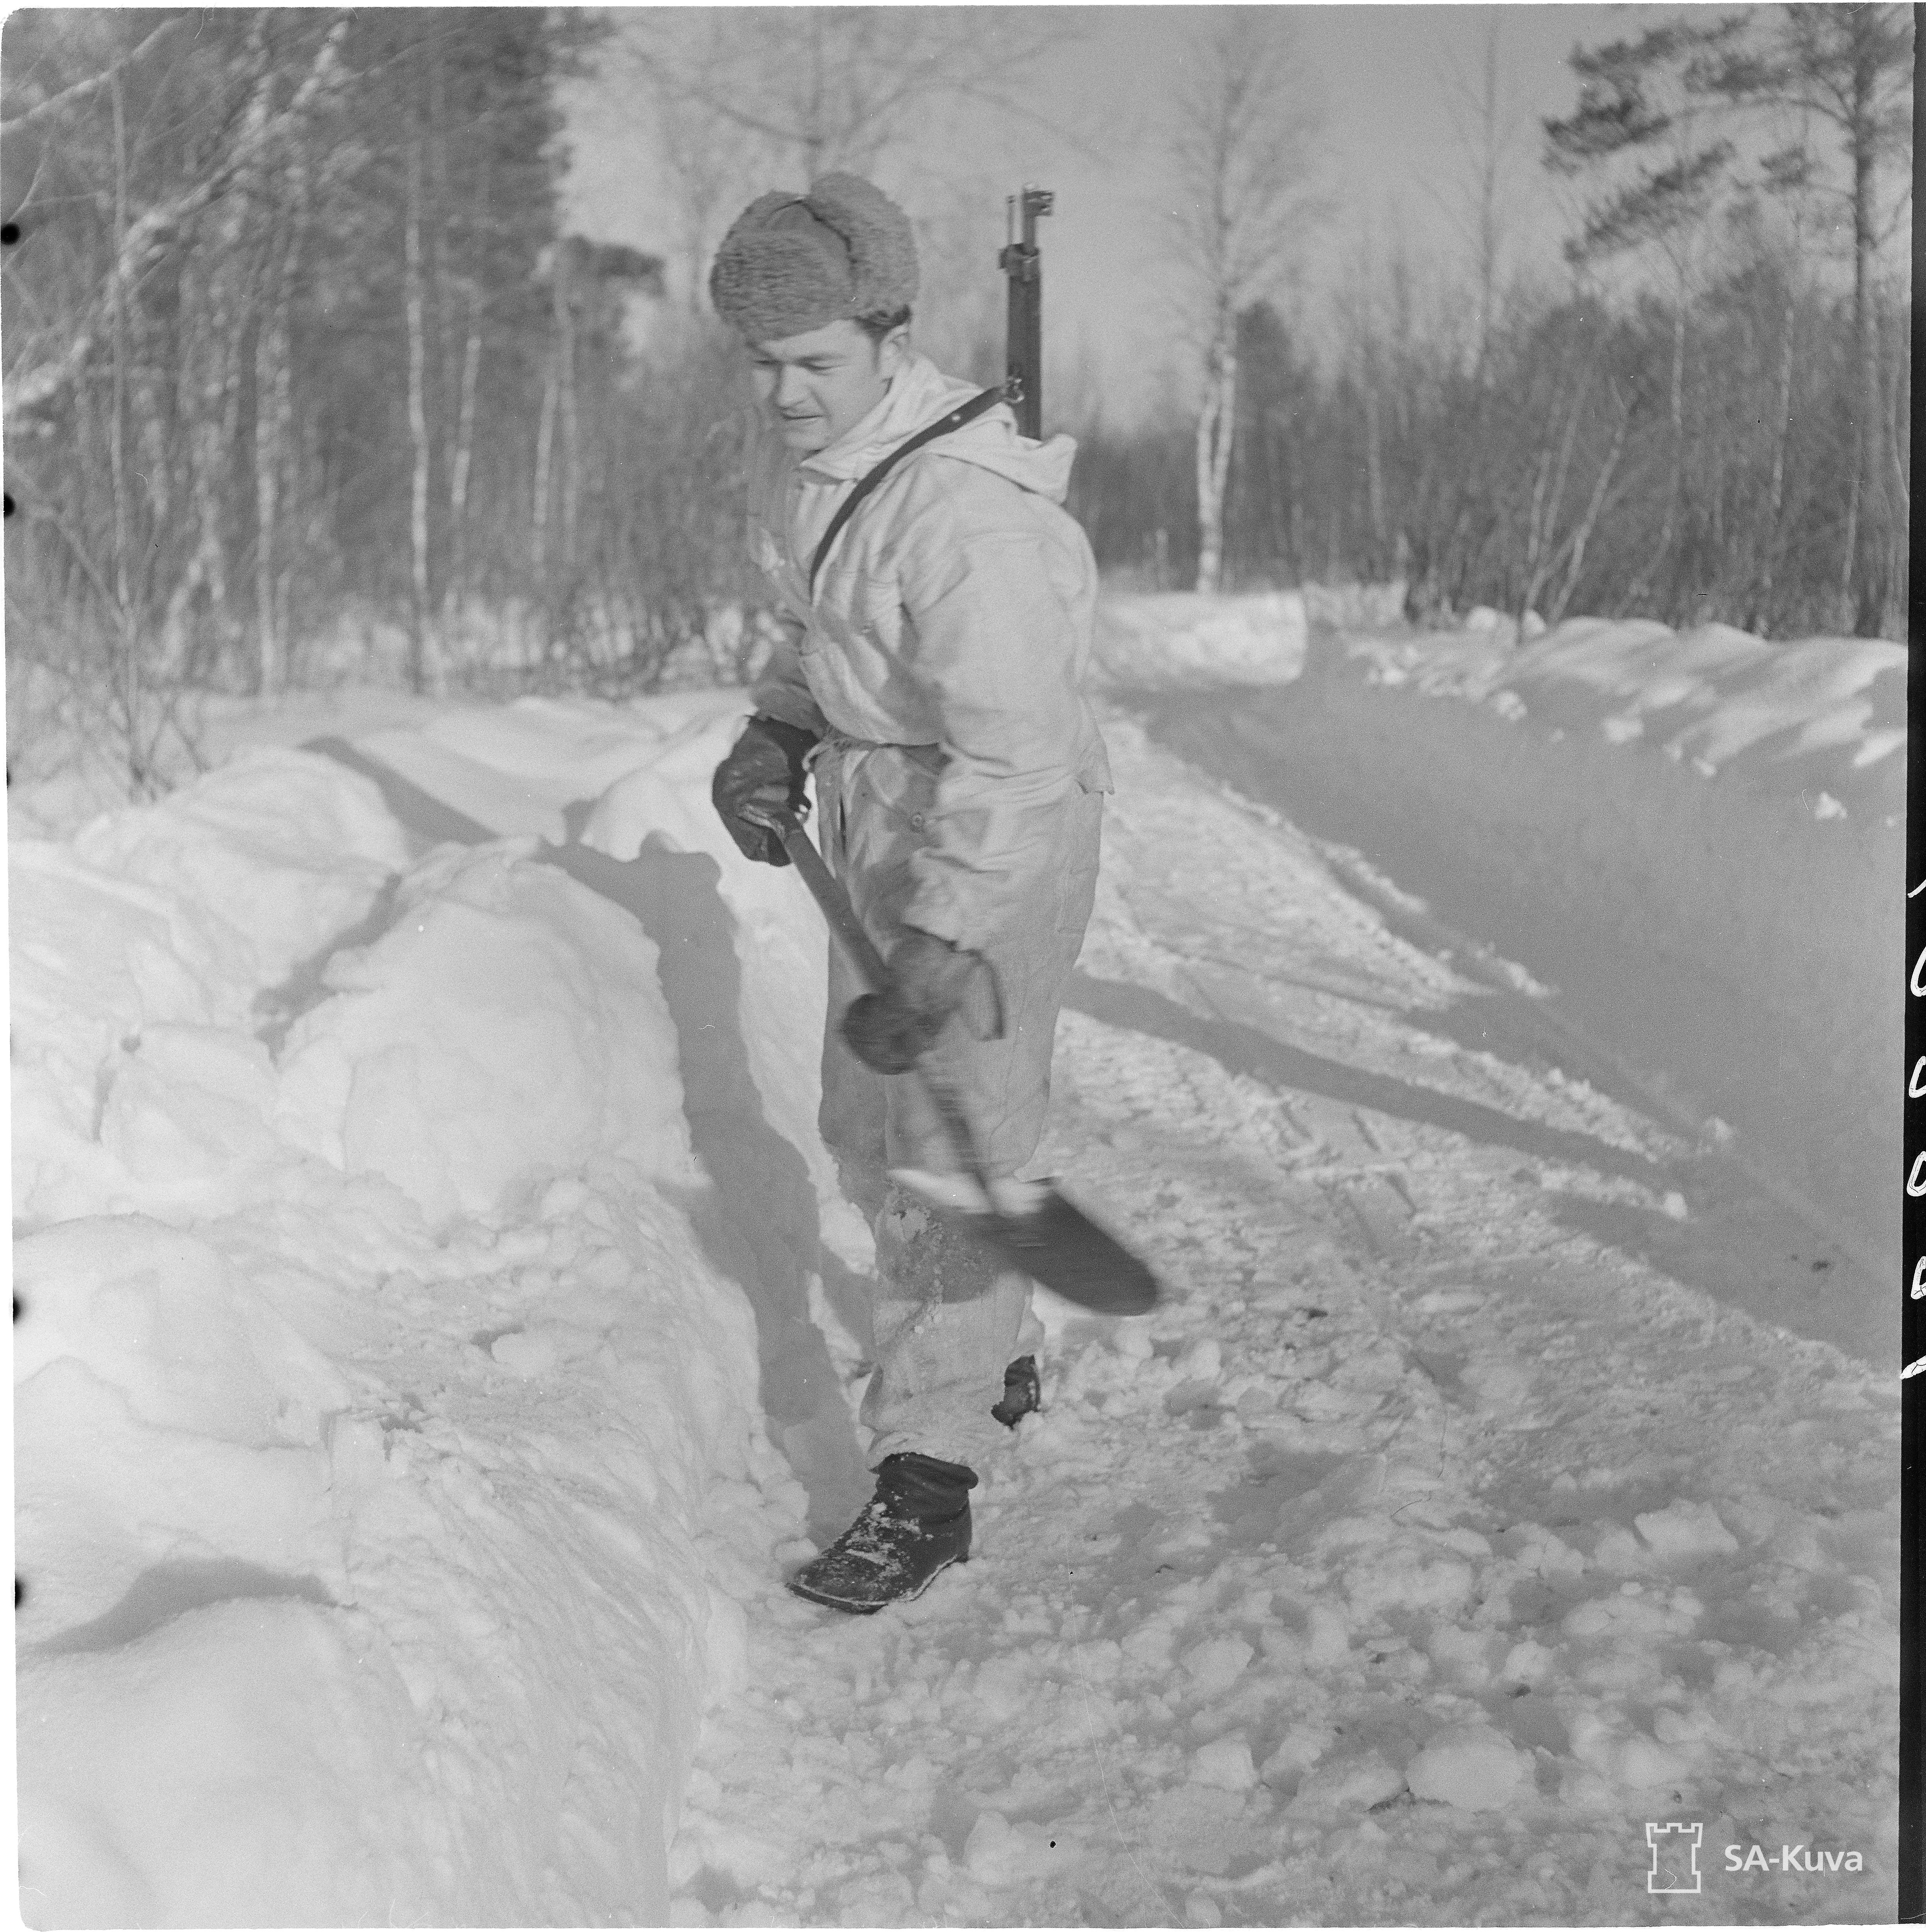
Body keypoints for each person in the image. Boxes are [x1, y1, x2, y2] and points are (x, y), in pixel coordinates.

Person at [707, 173, 1111, 1613]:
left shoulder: (965, 514)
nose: (782, 393)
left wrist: (943, 940)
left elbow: (1016, 755)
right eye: (760, 364)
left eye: (812, 361)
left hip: (986, 823)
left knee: (949, 1143)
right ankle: (990, 1354)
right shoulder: (830, 470)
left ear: (884, 334)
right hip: (884, 804)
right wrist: (779, 729)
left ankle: (927, 1476)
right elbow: (824, 634)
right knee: (871, 1125)